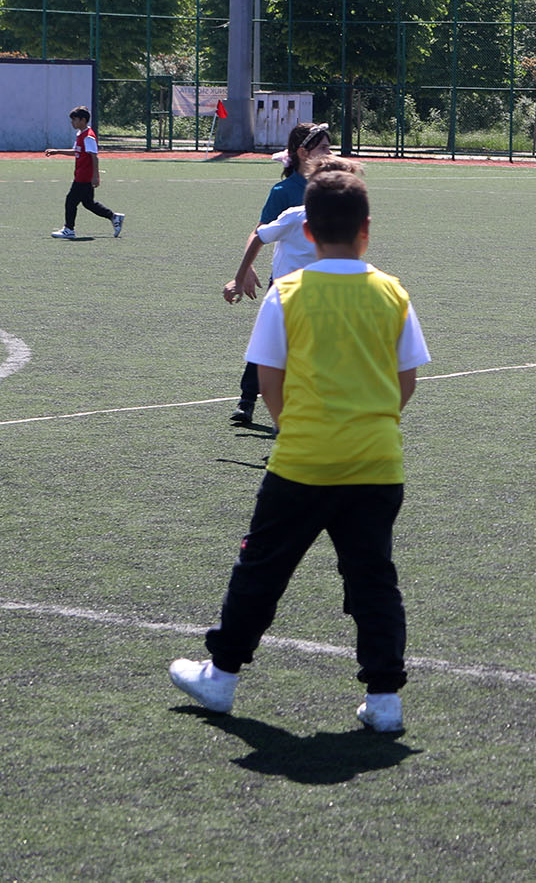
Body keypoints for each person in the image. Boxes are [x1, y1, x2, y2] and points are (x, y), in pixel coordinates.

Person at [169, 161, 430, 733]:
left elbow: (268, 378)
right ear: (367, 228)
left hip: (303, 464)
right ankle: (385, 699)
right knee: (372, 580)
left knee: (261, 569)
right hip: (377, 463)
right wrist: (373, 423)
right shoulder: (392, 293)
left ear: (306, 231)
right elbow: (407, 378)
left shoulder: (288, 292)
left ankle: (222, 677)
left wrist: (294, 428)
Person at [222, 123, 335, 426]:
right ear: (302, 152)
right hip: (285, 284)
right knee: (269, 342)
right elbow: (260, 231)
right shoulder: (285, 192)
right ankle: (247, 400)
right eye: (323, 147)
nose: (329, 152)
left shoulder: (330, 188)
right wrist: (245, 271)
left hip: (322, 285)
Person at [49, 105, 124, 240]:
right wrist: (57, 151)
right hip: (80, 174)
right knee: (88, 203)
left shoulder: (88, 137)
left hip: (84, 176)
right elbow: (76, 151)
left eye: (75, 120)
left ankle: (69, 229)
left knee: (70, 201)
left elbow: (94, 156)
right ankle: (114, 217)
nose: (72, 123)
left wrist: (96, 176)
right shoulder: (80, 134)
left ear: (83, 120)